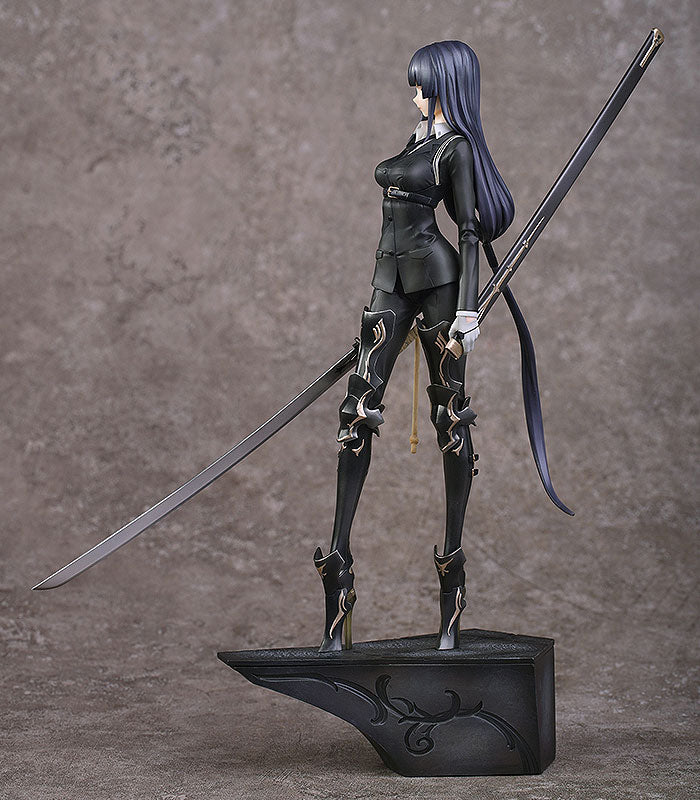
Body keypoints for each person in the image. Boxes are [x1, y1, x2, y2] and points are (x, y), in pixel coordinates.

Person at [313, 41, 515, 653]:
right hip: (389, 284)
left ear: (446, 86)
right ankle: (338, 573)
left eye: (422, 84)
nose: (414, 94)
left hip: (438, 284)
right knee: (355, 414)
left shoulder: (455, 149)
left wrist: (468, 307)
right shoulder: (417, 140)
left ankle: (452, 581)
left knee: (450, 417)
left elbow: (469, 231)